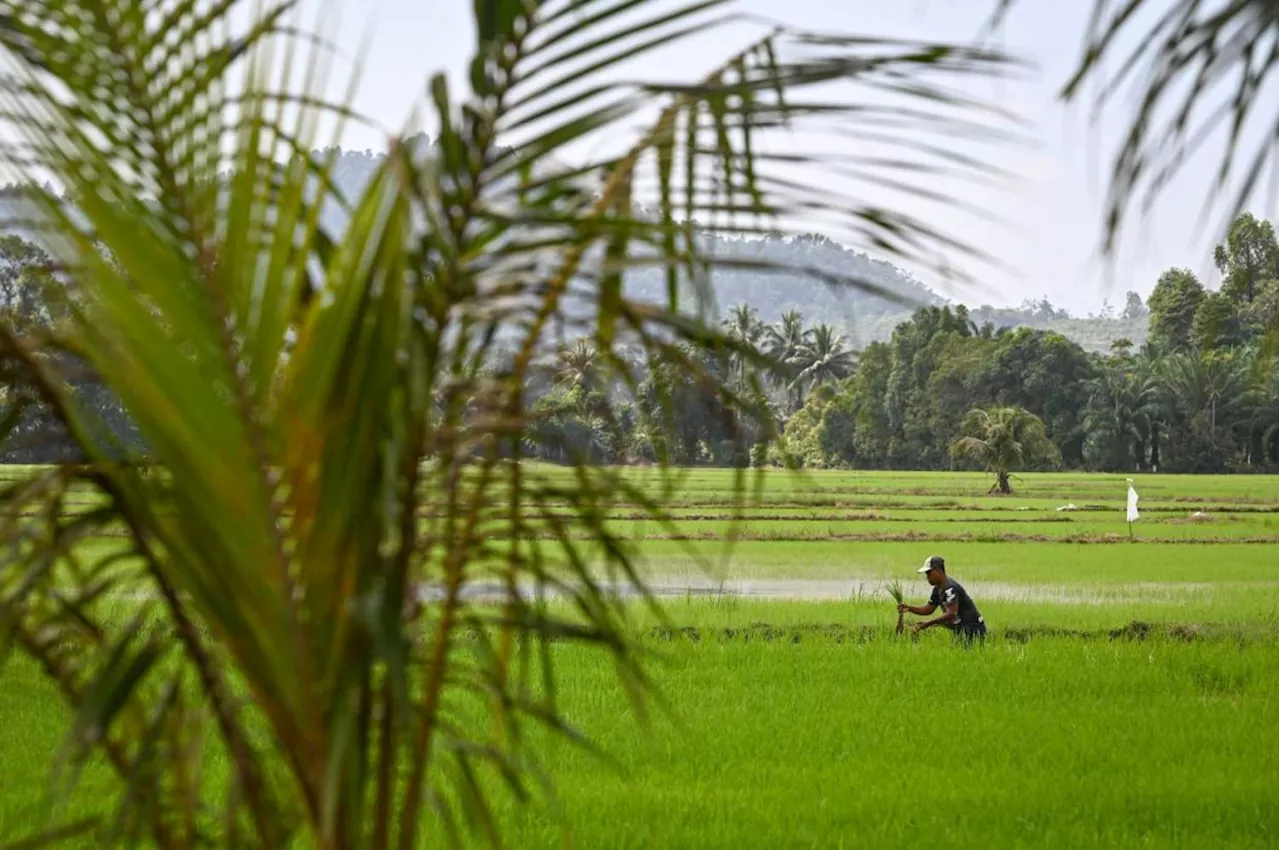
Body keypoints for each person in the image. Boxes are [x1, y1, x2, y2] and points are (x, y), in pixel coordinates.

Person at [898, 555, 987, 643]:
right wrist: (909, 608)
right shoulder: (937, 589)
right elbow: (928, 609)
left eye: (929, 573)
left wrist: (928, 624)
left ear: (937, 571)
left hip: (973, 628)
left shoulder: (950, 588)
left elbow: (951, 614)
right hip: (960, 628)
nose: (927, 577)